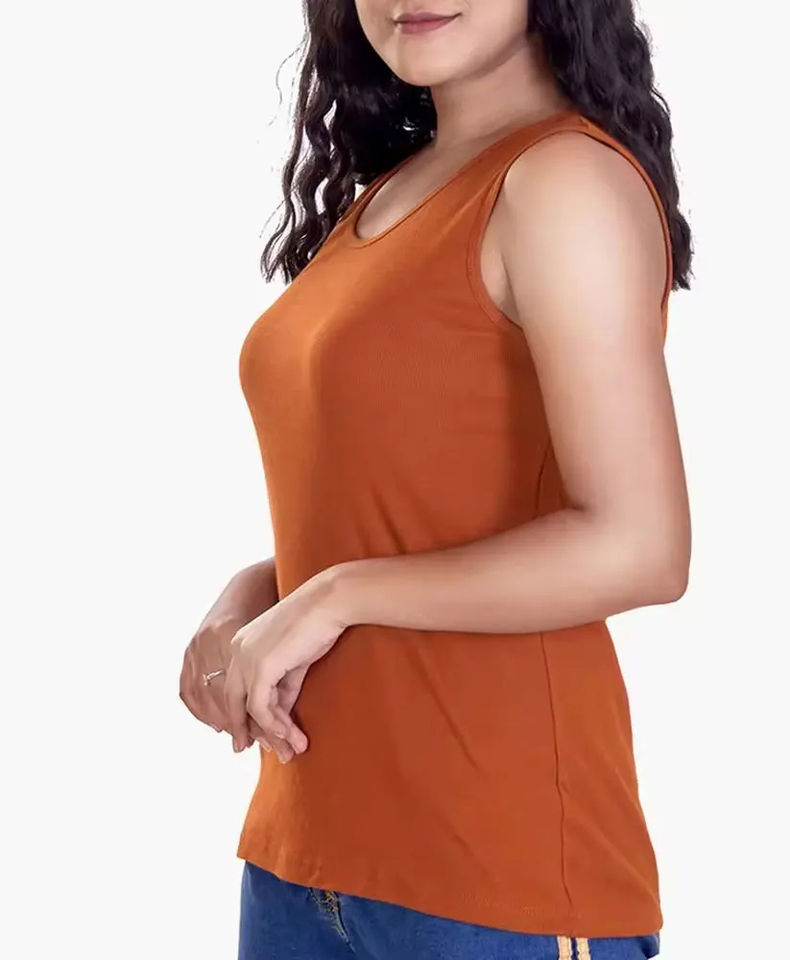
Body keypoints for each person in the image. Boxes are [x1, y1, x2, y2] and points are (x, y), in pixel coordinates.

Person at [180, 1, 692, 957]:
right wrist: (258, 596)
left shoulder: (561, 181)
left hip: (497, 875)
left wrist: (334, 595)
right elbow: (404, 506)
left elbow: (641, 547)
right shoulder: (392, 189)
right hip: (304, 858)